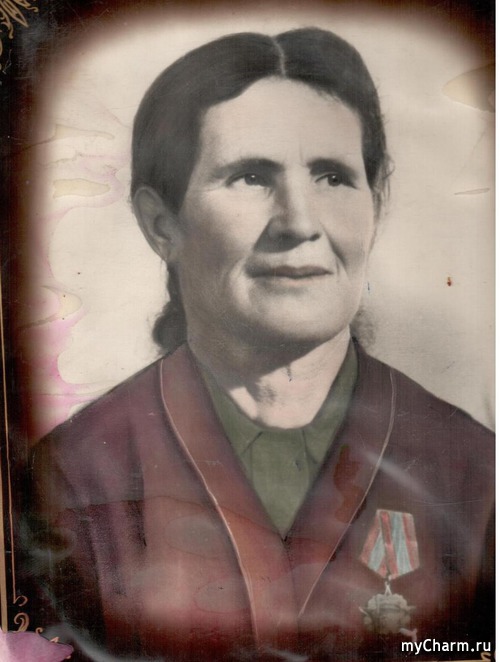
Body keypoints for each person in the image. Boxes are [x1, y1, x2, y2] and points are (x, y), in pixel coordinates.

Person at [26, 27, 494, 661]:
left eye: (332, 176)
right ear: (161, 224)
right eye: (250, 176)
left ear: (377, 202)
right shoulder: (73, 479)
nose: (299, 223)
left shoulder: (475, 475)